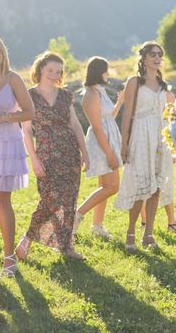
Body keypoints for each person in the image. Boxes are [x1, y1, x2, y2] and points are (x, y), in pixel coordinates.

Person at [17, 52, 89, 261]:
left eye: (58, 71)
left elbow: (75, 125)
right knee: (49, 200)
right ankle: (27, 239)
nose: (54, 75)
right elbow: (27, 131)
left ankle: (66, 246)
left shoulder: (66, 95)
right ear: (39, 69)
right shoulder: (29, 95)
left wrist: (84, 151)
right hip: (46, 154)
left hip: (70, 151)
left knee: (69, 200)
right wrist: (34, 159)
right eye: (50, 70)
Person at [115, 42, 174, 251]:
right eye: (153, 54)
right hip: (140, 135)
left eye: (160, 54)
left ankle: (148, 234)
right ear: (144, 58)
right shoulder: (134, 82)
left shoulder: (163, 85)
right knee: (141, 186)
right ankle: (131, 231)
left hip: (160, 136)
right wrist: (124, 143)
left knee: (156, 186)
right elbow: (127, 114)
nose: (157, 58)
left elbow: (174, 111)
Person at [0, 35, 34, 277]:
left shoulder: (13, 79)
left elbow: (30, 112)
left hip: (5, 144)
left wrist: (4, 117)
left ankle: (9, 258)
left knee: (0, 199)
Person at [73, 57, 123, 239]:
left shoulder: (99, 91)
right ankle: (77, 216)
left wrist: (120, 101)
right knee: (112, 186)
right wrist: (109, 153)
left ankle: (97, 226)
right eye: (105, 70)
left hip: (109, 138)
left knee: (104, 185)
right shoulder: (91, 95)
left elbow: (109, 116)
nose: (108, 74)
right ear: (98, 72)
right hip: (102, 142)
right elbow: (96, 126)